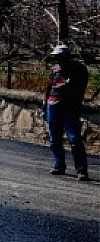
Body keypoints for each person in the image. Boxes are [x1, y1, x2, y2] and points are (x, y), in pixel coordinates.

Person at [44, 44, 90, 181]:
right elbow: (48, 88)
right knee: (54, 138)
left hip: (69, 107)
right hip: (53, 105)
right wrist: (45, 103)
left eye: (60, 57)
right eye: (57, 57)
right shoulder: (55, 70)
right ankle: (59, 164)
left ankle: (81, 170)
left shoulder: (79, 69)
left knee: (74, 138)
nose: (58, 60)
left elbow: (80, 88)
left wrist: (69, 89)